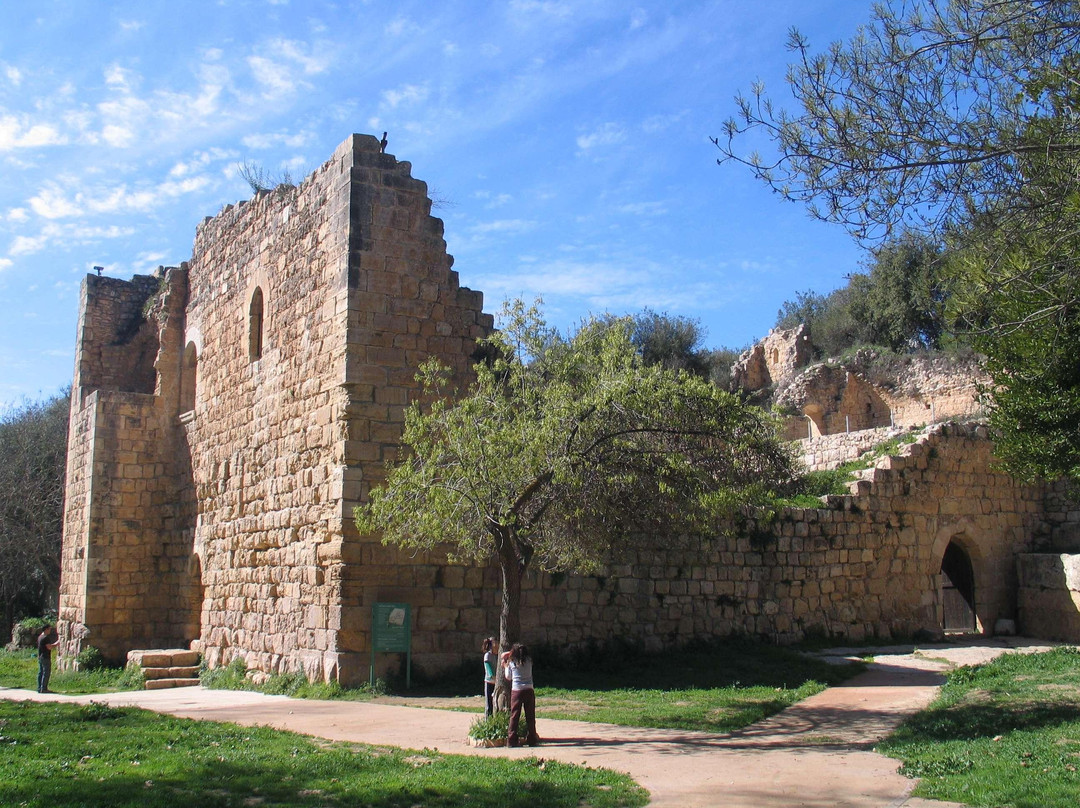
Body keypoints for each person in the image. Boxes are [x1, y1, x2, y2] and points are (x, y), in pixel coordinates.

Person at [501, 642, 540, 747]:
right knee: (530, 715)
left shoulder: (512, 662)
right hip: (529, 689)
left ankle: (512, 739)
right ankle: (532, 738)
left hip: (517, 690)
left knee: (514, 715)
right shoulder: (529, 661)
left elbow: (508, 677)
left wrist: (505, 666)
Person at [37, 624, 58, 694]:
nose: (50, 630)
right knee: (46, 673)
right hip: (45, 657)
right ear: (46, 629)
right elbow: (49, 647)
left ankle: (39, 687)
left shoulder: (40, 637)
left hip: (40, 656)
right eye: (49, 629)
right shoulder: (46, 638)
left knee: (41, 672)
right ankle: (44, 688)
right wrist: (57, 644)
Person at [482, 637, 498, 717]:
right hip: (489, 682)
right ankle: (487, 721)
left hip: (496, 682)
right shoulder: (487, 655)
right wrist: (494, 678)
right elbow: (489, 670)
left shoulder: (495, 655)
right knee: (489, 704)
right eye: (495, 642)